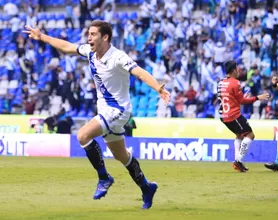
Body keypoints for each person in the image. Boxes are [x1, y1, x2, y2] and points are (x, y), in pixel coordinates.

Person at [24, 21, 170, 208]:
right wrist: (42, 37)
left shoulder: (118, 57)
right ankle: (146, 187)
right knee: (121, 156)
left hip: (118, 110)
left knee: (83, 135)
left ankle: (104, 177)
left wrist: (158, 87)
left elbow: (139, 72)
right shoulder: (91, 52)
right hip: (106, 111)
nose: (89, 37)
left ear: (105, 37)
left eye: (93, 34)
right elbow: (68, 47)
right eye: (89, 34)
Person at [218, 61, 270, 172]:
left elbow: (227, 99)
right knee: (250, 135)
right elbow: (242, 101)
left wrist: (241, 98)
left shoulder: (221, 82)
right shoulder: (236, 83)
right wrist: (257, 97)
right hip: (233, 115)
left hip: (224, 116)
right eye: (237, 69)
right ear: (233, 71)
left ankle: (238, 162)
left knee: (239, 135)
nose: (238, 71)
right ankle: (238, 160)